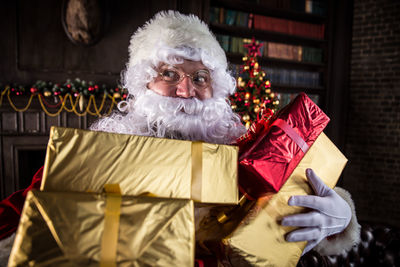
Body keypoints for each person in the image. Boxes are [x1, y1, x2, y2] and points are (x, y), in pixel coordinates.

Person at [0, 10, 360, 265]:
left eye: (200, 77)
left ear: (215, 88)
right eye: (169, 73)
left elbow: (288, 211)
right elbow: (18, 211)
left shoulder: (242, 155)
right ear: (143, 83)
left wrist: (341, 219)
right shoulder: (101, 151)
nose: (186, 91)